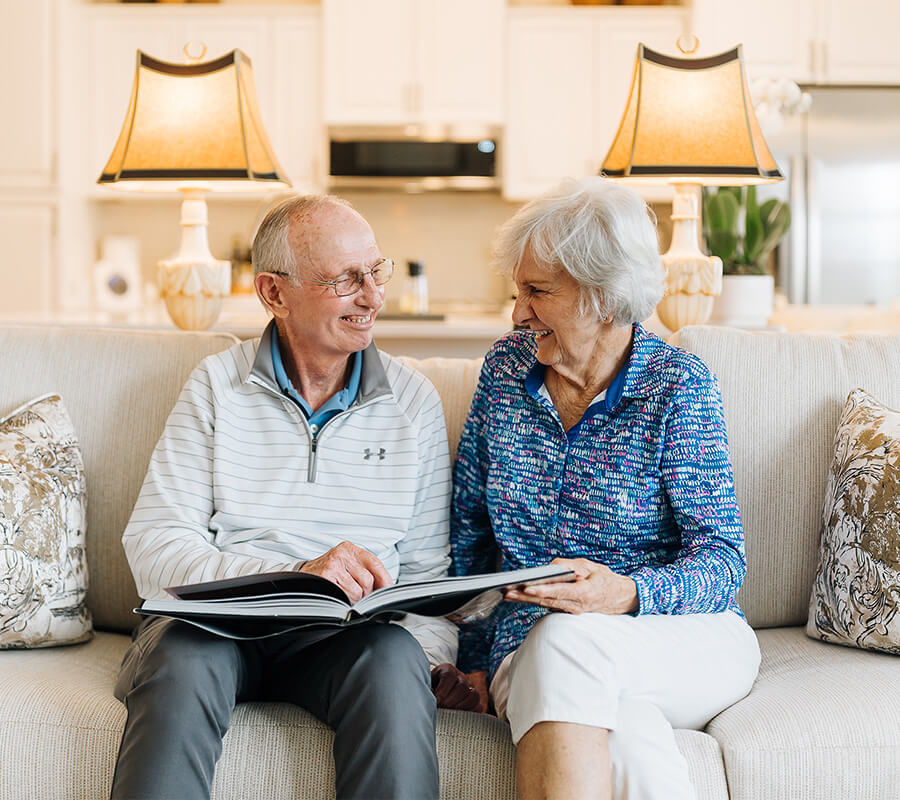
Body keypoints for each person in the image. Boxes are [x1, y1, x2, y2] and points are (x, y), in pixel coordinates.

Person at [111, 194, 480, 800]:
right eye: (344, 280)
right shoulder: (217, 386)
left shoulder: (412, 402)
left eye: (375, 271)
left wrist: (431, 663)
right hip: (216, 629)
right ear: (273, 293)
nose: (372, 296)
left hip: (344, 641)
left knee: (393, 661)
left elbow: (423, 573)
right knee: (180, 654)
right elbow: (154, 548)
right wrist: (296, 575)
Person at [451, 177, 761, 800]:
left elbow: (723, 562)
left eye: (537, 292)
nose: (518, 313)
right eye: (518, 292)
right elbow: (473, 540)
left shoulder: (677, 385)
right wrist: (475, 659)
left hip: (680, 638)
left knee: (567, 642)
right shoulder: (506, 371)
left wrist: (626, 593)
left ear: (603, 295)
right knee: (631, 745)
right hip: (531, 645)